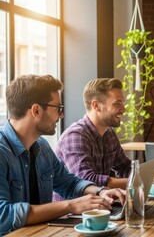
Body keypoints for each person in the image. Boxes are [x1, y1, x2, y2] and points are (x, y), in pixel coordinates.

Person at [0, 75, 125, 235]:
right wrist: (71, 205)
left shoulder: (42, 147)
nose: (61, 115)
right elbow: (3, 215)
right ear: (36, 110)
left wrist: (100, 192)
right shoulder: (2, 152)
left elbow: (69, 183)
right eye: (58, 108)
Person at [54, 78, 154, 201]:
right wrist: (139, 180)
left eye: (122, 103)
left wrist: (149, 174)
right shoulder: (76, 136)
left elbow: (124, 167)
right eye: (117, 104)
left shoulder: (109, 133)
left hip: (101, 206)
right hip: (72, 215)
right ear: (96, 106)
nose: (124, 109)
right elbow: (87, 180)